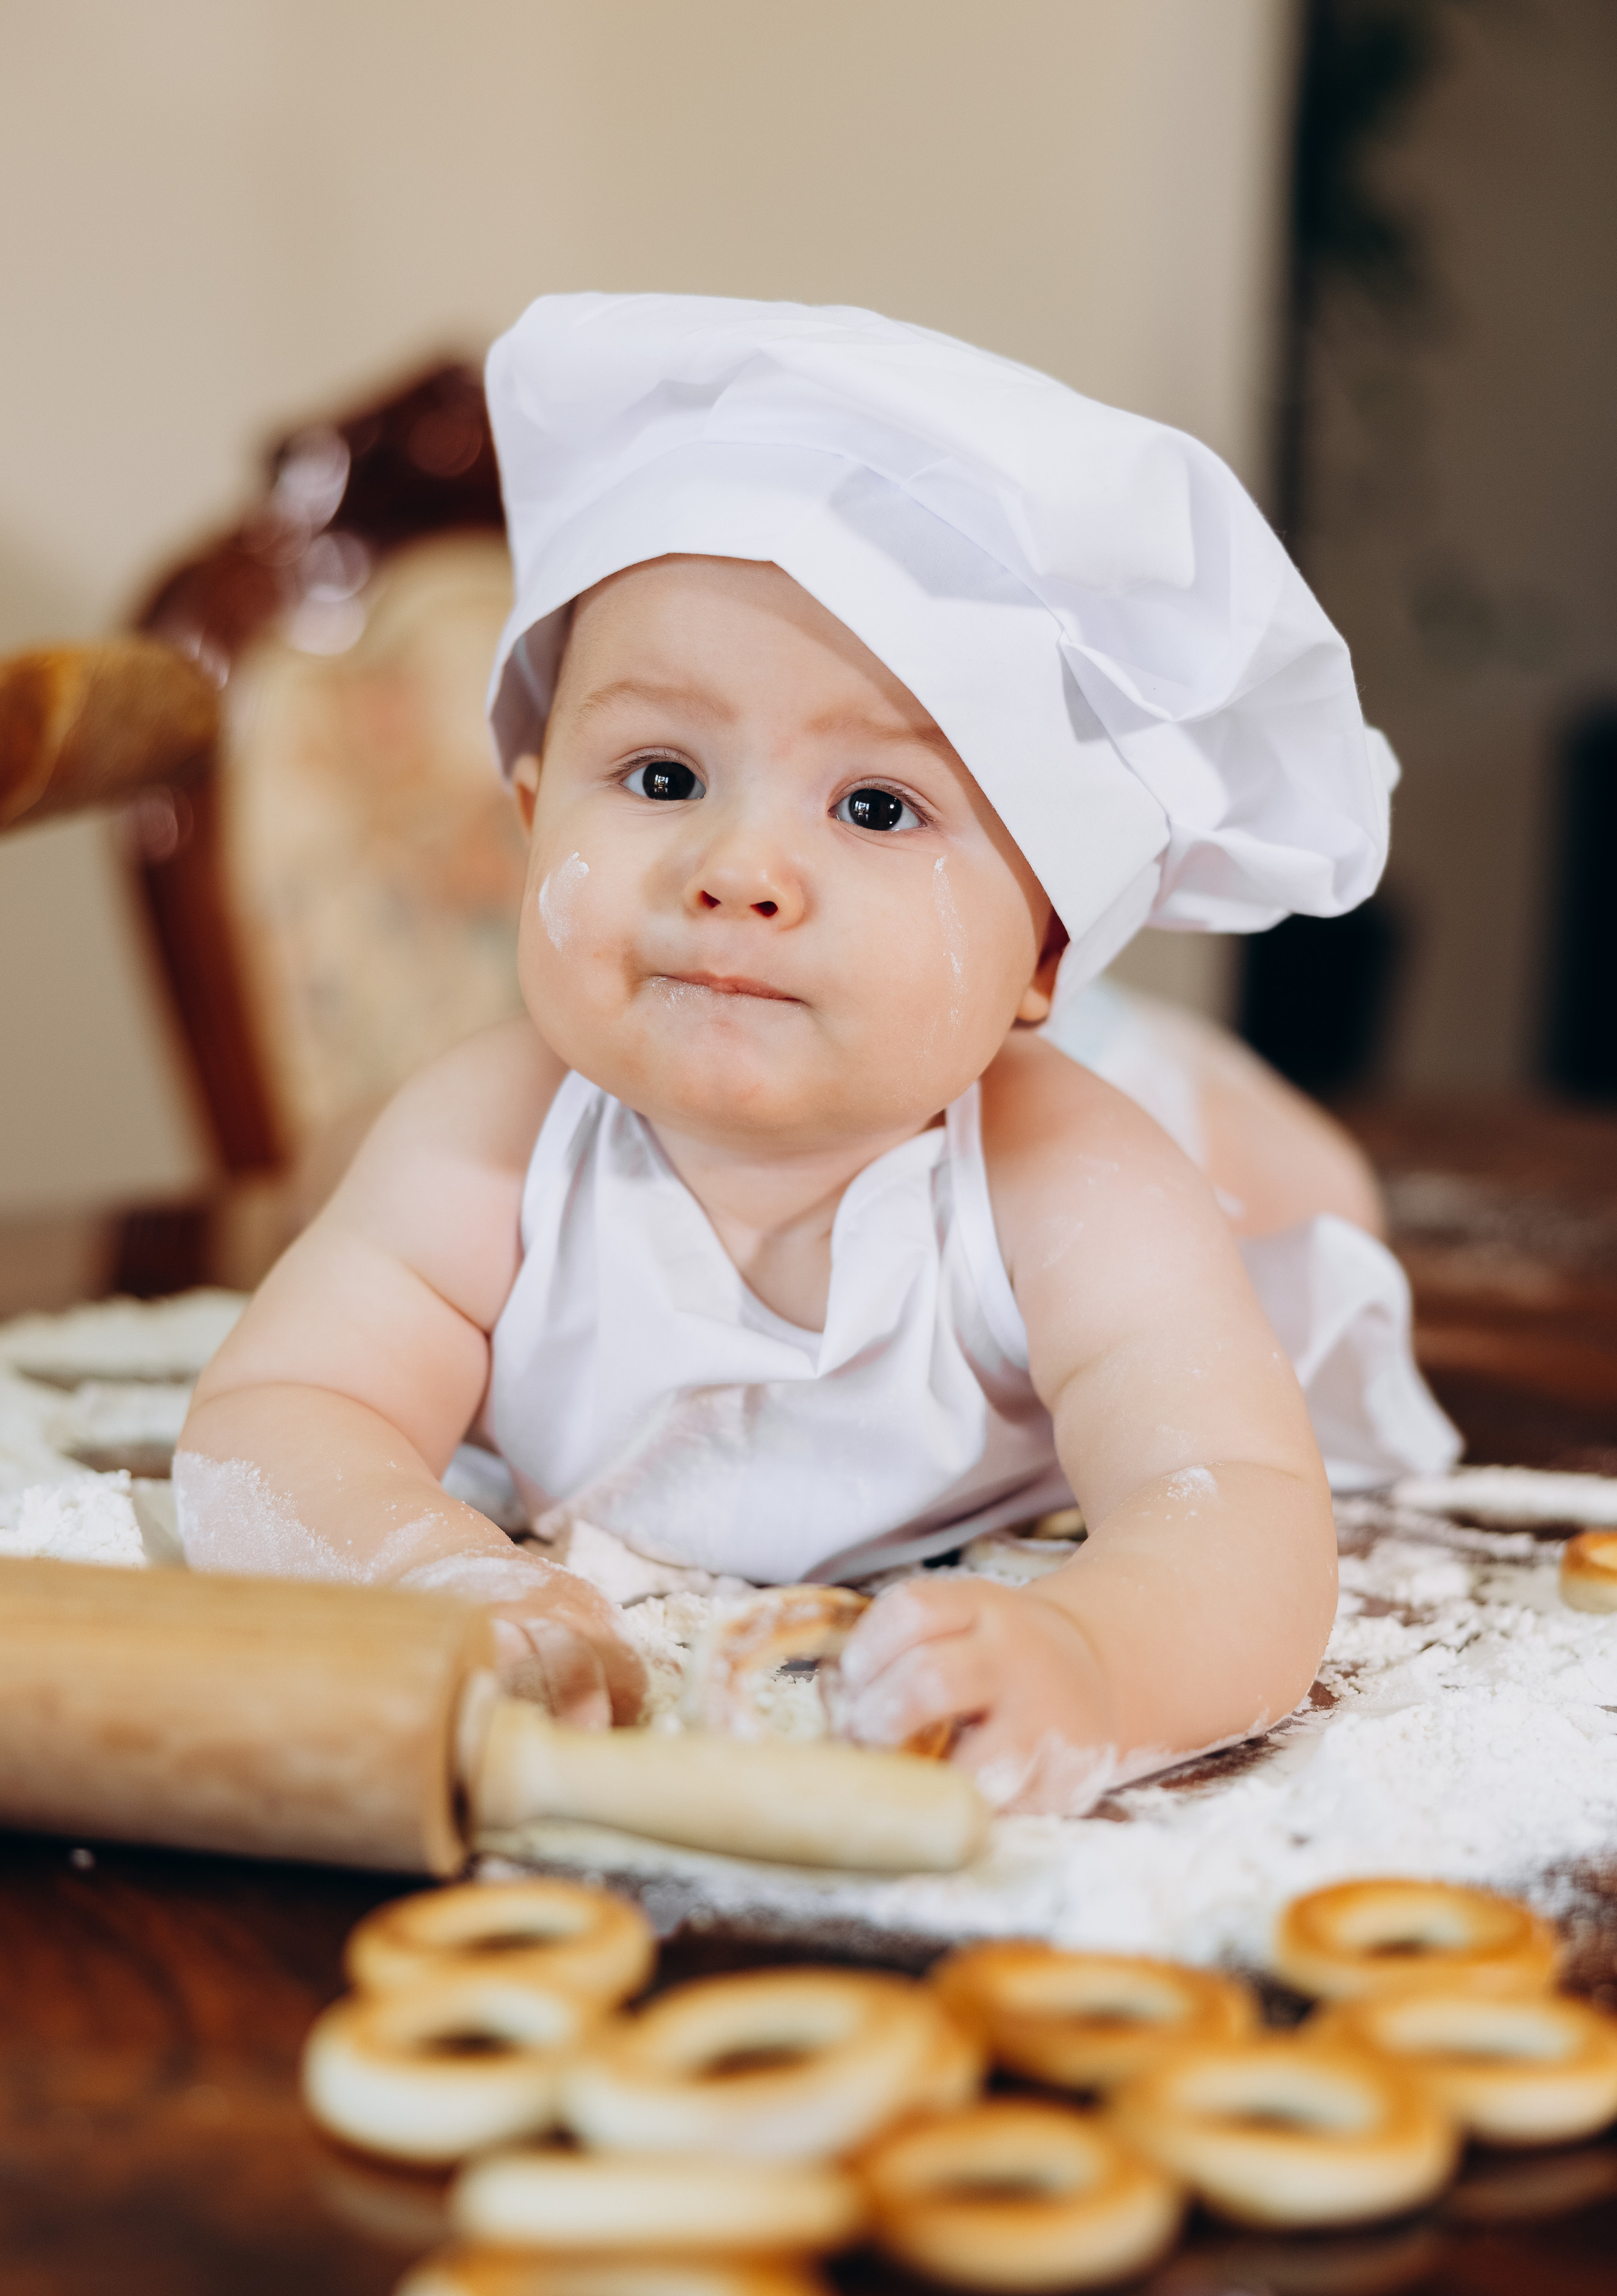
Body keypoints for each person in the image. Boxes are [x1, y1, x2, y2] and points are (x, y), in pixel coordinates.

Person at [176, 296, 1455, 1813]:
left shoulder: (1069, 1177)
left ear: (1044, 948)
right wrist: (435, 1572)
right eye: (662, 774)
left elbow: (1235, 1506)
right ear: (531, 824)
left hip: (1096, 1103)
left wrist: (1094, 1662)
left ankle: (1190, 1077)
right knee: (337, 1173)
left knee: (1295, 1189)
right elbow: (274, 1419)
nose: (738, 866)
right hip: (834, 1034)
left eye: (872, 808)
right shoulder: (490, 1133)